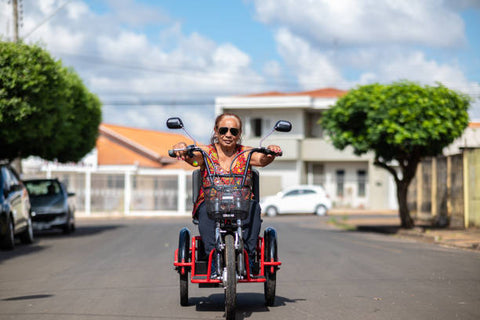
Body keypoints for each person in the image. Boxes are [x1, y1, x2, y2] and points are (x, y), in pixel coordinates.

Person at [172, 113, 282, 277]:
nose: (228, 135)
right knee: (205, 209)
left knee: (254, 207)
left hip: (242, 202)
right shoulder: (205, 152)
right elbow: (193, 159)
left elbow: (262, 160)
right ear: (216, 131)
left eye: (233, 131)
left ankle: (249, 257)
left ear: (239, 134)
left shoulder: (246, 153)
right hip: (211, 202)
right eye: (223, 130)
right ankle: (213, 259)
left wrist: (271, 152)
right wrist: (182, 148)